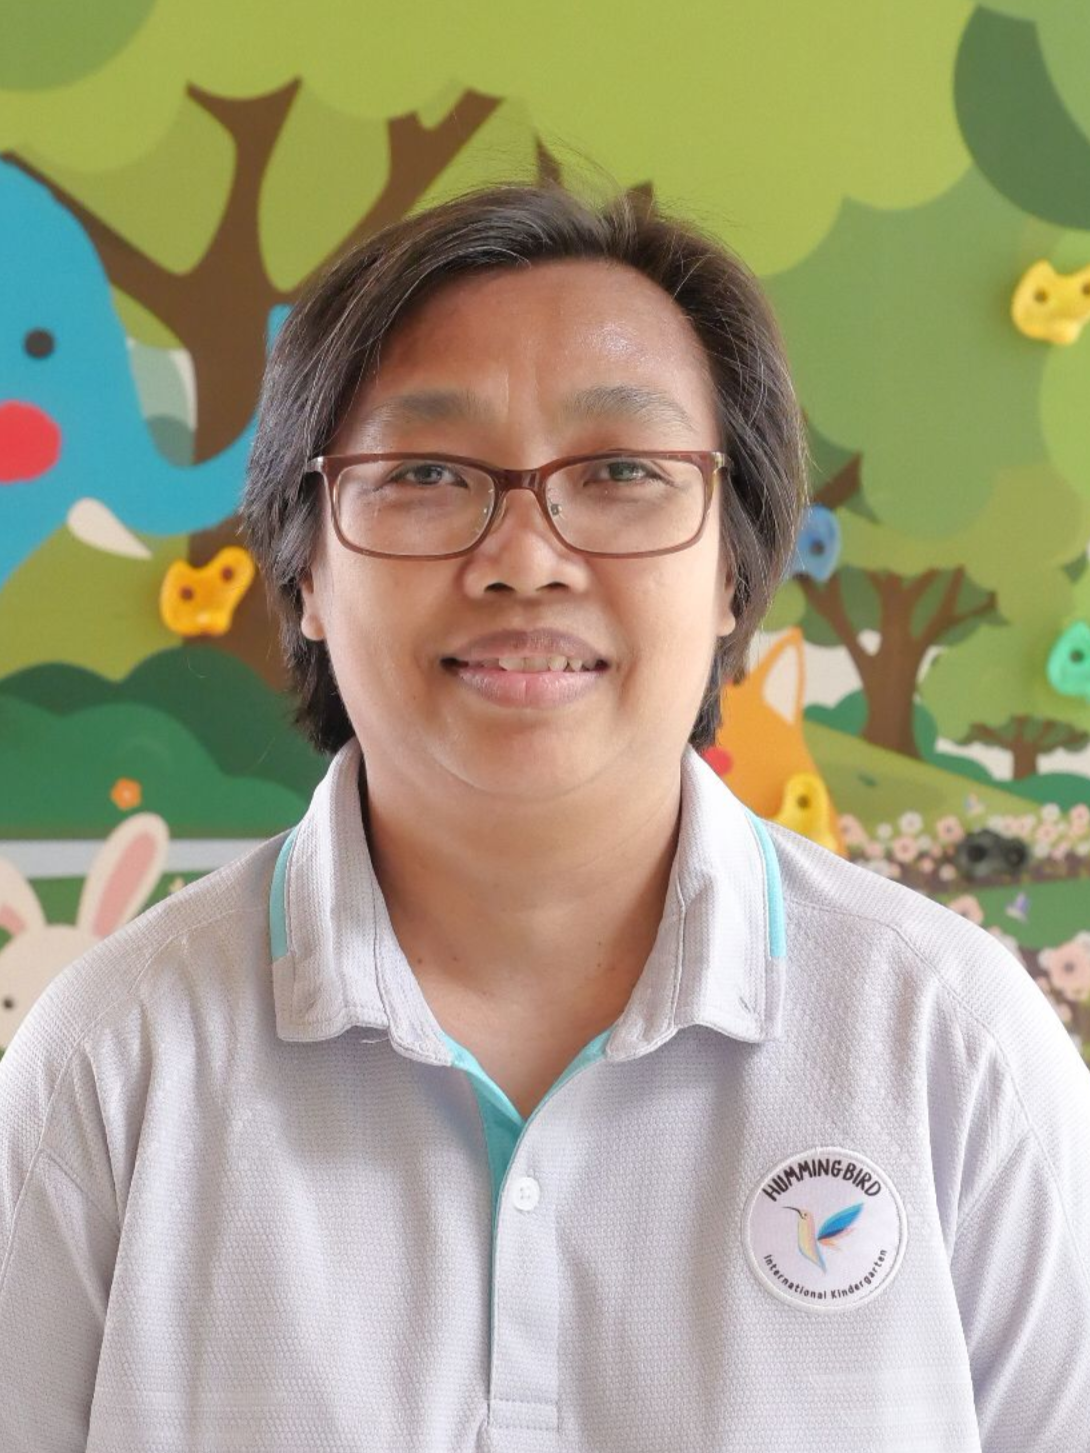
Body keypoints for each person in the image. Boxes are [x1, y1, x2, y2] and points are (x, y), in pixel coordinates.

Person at [1, 178, 1088, 1453]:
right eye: (424, 472)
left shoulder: (953, 1046)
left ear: (732, 570)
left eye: (622, 470)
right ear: (304, 575)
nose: (524, 558)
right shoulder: (108, 1064)